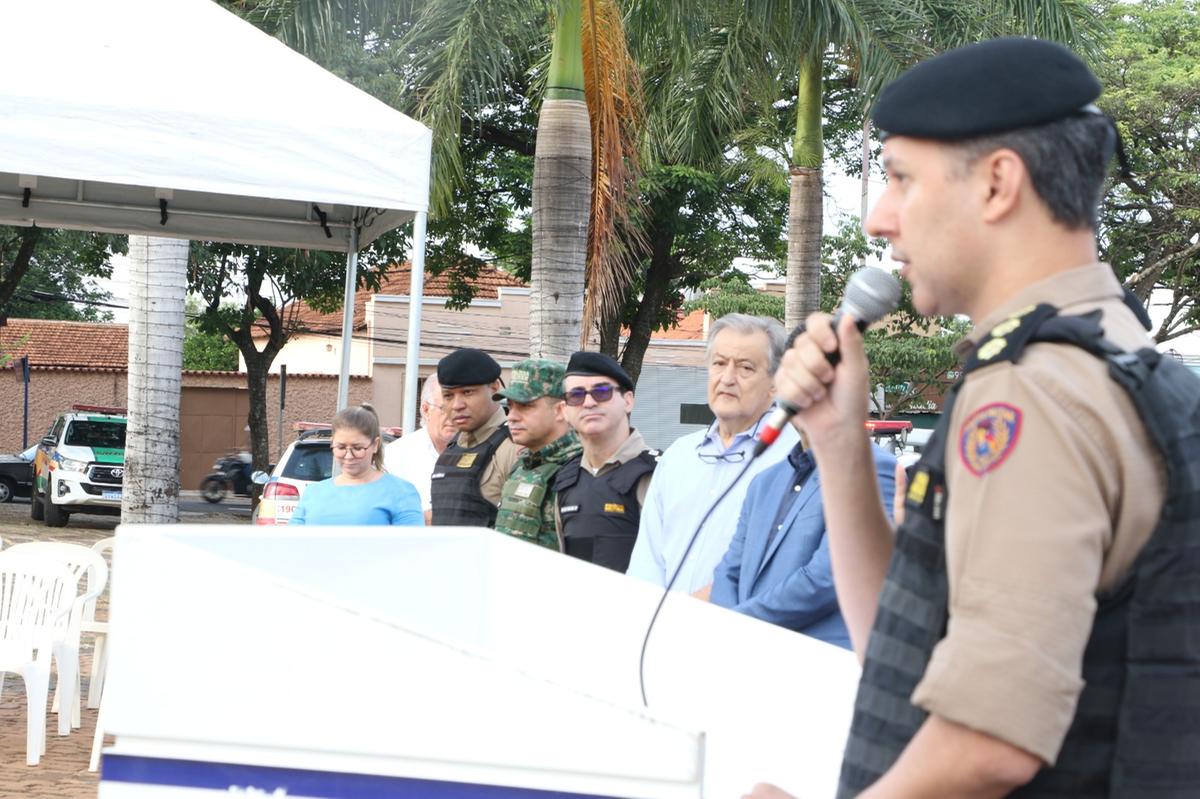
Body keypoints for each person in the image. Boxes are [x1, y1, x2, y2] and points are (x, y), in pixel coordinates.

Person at [751, 38, 1199, 799]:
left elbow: (989, 743)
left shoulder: (1030, 391)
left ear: (997, 184)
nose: (879, 221)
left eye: (899, 180)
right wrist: (839, 441)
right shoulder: (1123, 357)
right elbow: (908, 650)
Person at [626, 314, 798, 596]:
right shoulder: (680, 455)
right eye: (719, 363)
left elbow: (782, 569)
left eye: (745, 368)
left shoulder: (793, 459)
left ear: (775, 382)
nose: (727, 378)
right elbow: (648, 556)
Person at [710, 421, 896, 648]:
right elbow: (728, 571)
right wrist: (726, 627)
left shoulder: (872, 467)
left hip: (815, 666)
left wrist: (735, 624)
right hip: (744, 658)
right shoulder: (764, 482)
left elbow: (830, 577)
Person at [554, 351, 658, 572]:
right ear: (564, 410)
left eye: (602, 392)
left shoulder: (657, 474)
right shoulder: (565, 480)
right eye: (576, 395)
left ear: (628, 401)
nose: (589, 402)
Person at [493, 359, 582, 549]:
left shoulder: (580, 470)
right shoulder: (522, 465)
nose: (511, 416)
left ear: (560, 410)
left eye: (525, 406)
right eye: (510, 405)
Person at [290, 404, 424, 526]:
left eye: (358, 448)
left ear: (375, 445)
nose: (348, 456)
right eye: (341, 447)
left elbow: (412, 548)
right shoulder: (313, 493)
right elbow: (292, 544)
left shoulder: (401, 492)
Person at [429, 348, 520, 527]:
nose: (457, 405)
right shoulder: (452, 447)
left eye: (468, 392)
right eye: (448, 396)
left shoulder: (514, 446)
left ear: (494, 388)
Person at [384, 375, 456, 524]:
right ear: (426, 409)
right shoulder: (396, 454)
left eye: (457, 409)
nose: (453, 417)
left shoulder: (476, 451)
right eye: (444, 408)